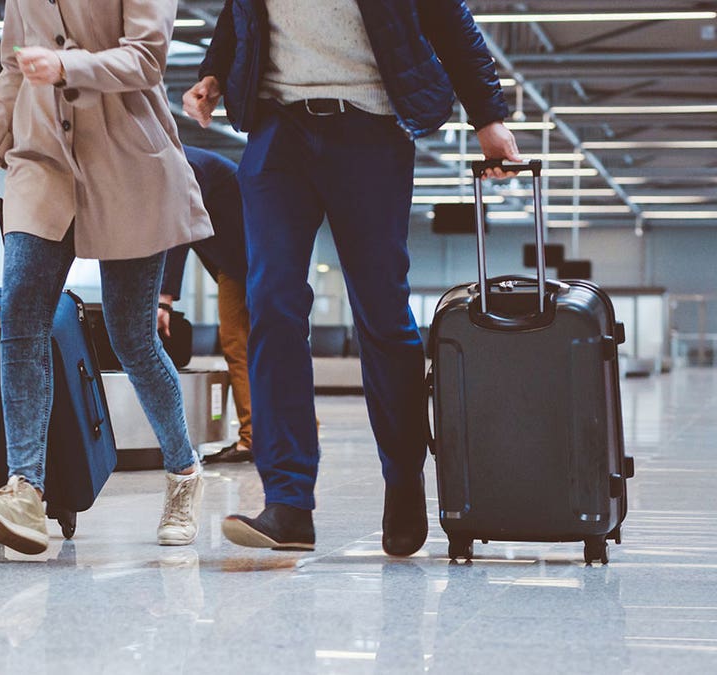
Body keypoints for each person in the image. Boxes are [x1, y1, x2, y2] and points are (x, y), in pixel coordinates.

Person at [183, 0, 522, 554]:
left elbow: (450, 22)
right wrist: (215, 74)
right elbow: (240, 11)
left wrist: (488, 118)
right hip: (277, 129)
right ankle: (288, 501)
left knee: (382, 313)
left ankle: (403, 480)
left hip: (371, 126)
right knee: (270, 302)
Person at [0, 0, 215, 555]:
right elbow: (11, 73)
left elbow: (146, 59)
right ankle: (24, 488)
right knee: (20, 321)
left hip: (128, 167)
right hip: (40, 167)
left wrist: (69, 67)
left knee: (133, 340)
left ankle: (183, 473)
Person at [158, 145, 253, 464]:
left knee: (238, 344)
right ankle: (294, 427)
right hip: (248, 260)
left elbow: (180, 229)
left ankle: (252, 438)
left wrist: (165, 298)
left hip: (246, 262)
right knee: (264, 344)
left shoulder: (185, 165)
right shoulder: (186, 161)